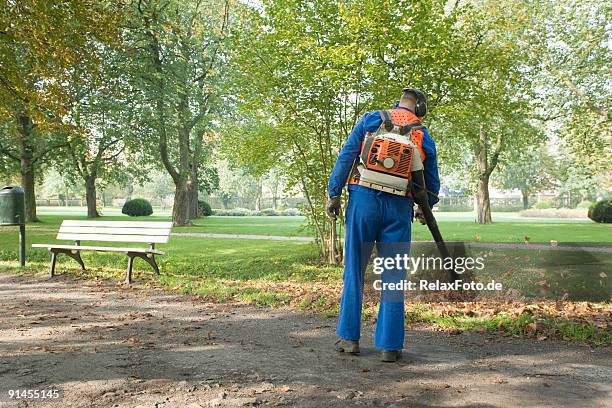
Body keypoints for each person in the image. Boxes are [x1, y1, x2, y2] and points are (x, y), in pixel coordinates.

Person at [325, 88, 440, 362]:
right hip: (398, 207)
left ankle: (349, 339)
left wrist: (334, 193)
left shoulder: (370, 120)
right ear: (419, 108)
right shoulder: (423, 134)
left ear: (397, 103)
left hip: (363, 198)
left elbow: (347, 155)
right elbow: (431, 183)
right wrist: (426, 208)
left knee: (354, 270)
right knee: (393, 276)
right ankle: (389, 346)